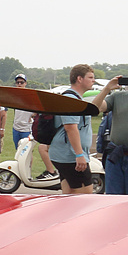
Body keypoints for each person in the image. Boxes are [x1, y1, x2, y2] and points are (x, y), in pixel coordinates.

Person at [49, 64, 98, 195]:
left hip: (64, 155)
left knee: (69, 196)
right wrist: (79, 154)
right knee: (84, 198)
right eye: (90, 77)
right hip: (70, 156)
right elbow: (70, 128)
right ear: (79, 79)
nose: (93, 80)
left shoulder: (75, 98)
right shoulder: (71, 100)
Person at [91, 73, 128, 194]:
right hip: (116, 156)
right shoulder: (118, 96)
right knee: (113, 199)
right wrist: (107, 88)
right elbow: (94, 108)